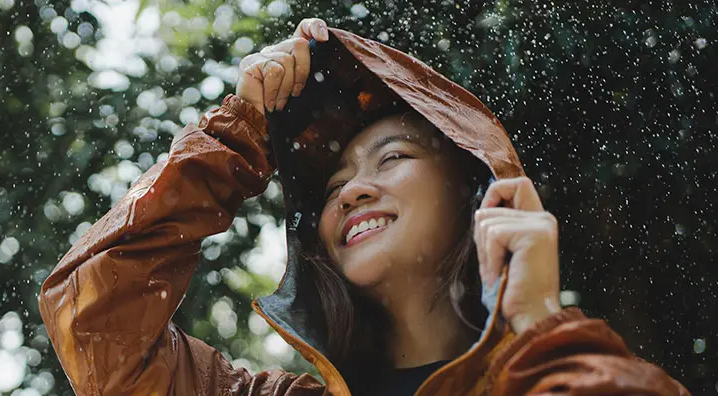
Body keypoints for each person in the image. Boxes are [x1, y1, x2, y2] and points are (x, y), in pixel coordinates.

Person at [38, 18, 688, 395]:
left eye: (393, 157)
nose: (351, 189)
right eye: (331, 186)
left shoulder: (567, 373)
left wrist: (541, 326)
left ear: (475, 195)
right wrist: (238, 132)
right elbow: (99, 316)